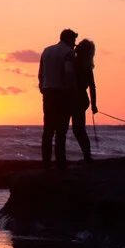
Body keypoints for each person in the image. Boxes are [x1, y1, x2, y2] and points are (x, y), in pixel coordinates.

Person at [37, 29, 79, 167]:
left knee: (48, 130)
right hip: (62, 93)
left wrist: (42, 88)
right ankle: (60, 162)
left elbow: (40, 73)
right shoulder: (68, 53)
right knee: (61, 131)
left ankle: (46, 162)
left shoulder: (46, 51)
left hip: (48, 92)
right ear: (69, 40)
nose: (74, 44)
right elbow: (69, 73)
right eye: (74, 41)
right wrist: (72, 92)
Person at [69, 38, 98, 163]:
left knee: (78, 129)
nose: (77, 46)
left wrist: (94, 104)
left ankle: (87, 156)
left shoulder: (77, 64)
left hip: (77, 99)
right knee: (79, 129)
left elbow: (92, 86)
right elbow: (92, 86)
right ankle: (87, 155)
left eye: (80, 45)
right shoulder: (85, 66)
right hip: (81, 99)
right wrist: (93, 104)